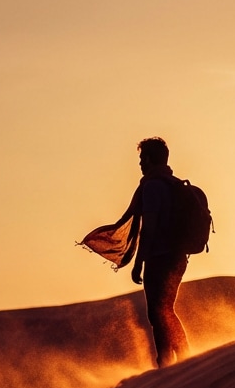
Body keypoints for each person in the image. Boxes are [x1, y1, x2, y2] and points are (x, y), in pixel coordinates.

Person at [79, 137, 190, 368]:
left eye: (142, 158)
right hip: (178, 258)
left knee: (158, 312)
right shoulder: (173, 185)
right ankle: (181, 357)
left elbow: (148, 228)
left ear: (150, 159)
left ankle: (169, 363)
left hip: (159, 257)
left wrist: (139, 262)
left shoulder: (152, 187)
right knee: (165, 309)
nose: (140, 164)